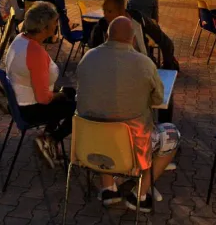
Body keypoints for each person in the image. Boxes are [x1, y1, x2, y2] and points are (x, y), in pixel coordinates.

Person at [77, 16, 180, 212]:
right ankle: (139, 194)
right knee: (172, 135)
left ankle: (109, 188)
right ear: (133, 39)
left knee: (102, 119)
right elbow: (158, 99)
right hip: (130, 148)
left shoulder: (87, 58)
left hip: (89, 144)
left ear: (107, 36)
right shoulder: (144, 63)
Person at [4, 2, 75, 167]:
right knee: (79, 108)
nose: (57, 26)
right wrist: (59, 95)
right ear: (45, 27)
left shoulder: (20, 39)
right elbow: (44, 99)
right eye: (55, 22)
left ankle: (47, 137)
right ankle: (52, 139)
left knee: (70, 92)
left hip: (19, 102)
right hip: (31, 110)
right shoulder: (35, 52)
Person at [90, 0, 179, 71]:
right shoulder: (100, 28)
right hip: (114, 74)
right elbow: (94, 56)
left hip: (142, 70)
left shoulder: (139, 20)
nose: (105, 15)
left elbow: (165, 42)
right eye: (104, 11)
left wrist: (167, 66)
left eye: (109, 11)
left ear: (122, 11)